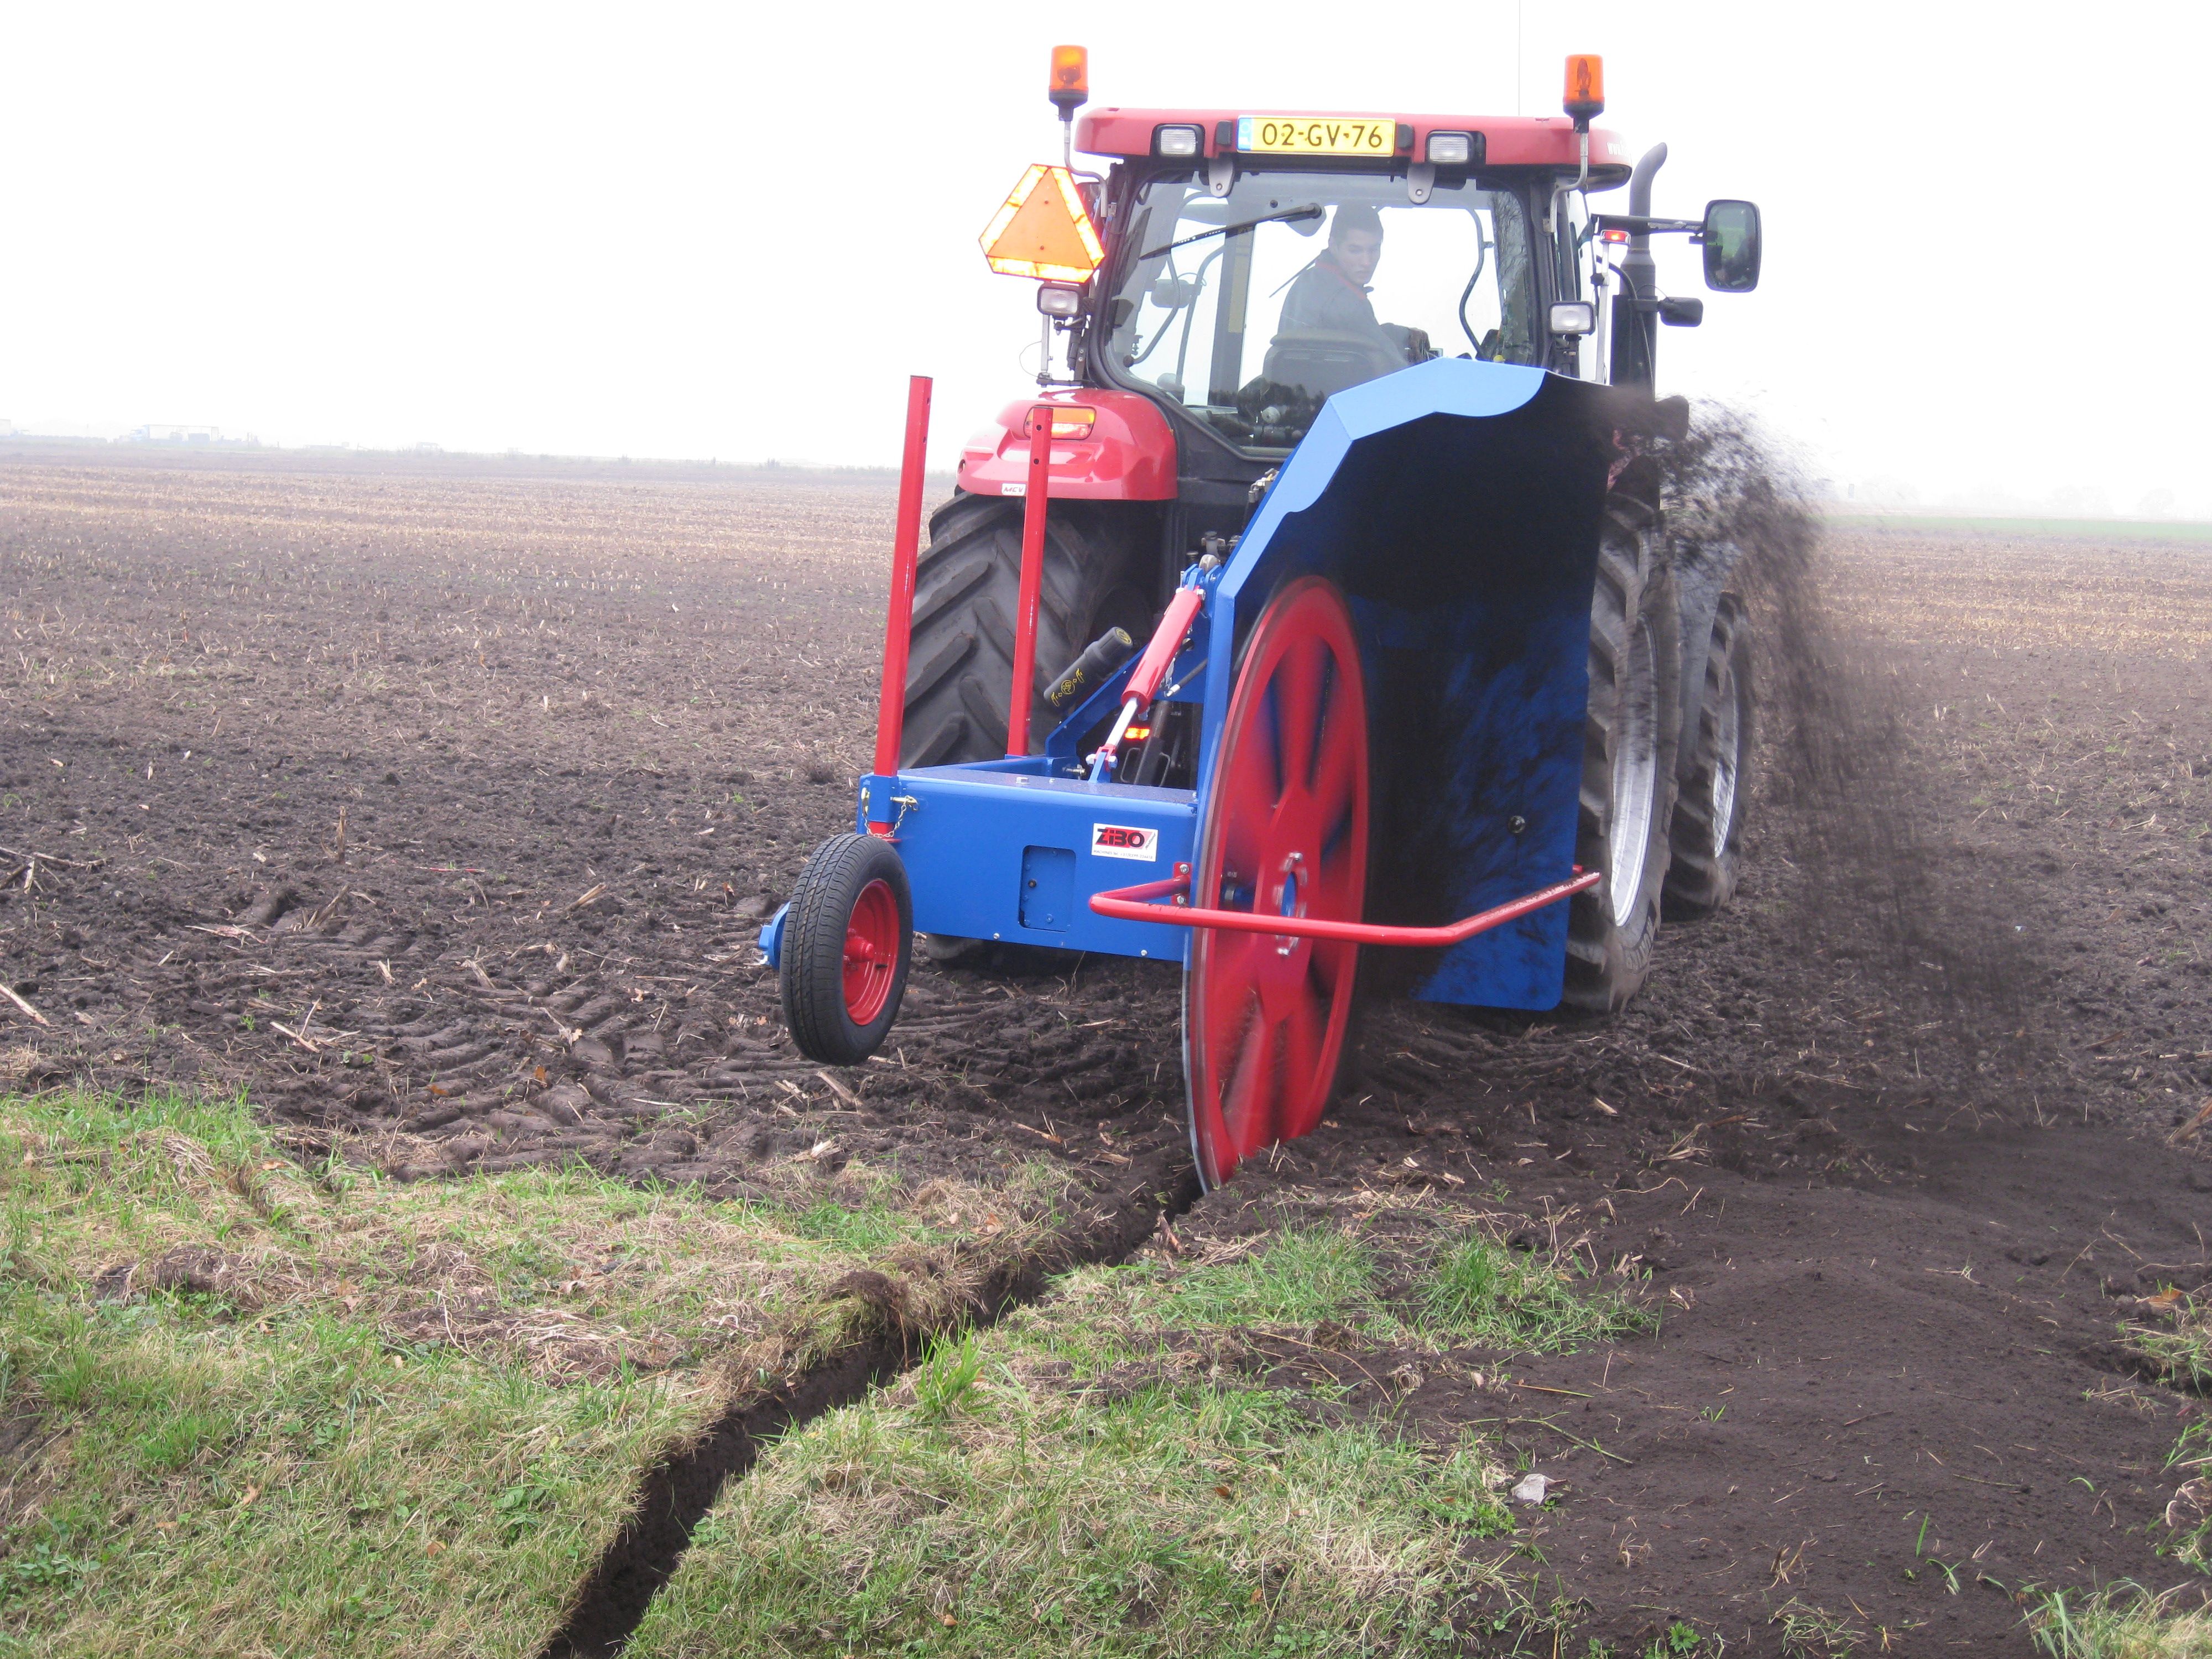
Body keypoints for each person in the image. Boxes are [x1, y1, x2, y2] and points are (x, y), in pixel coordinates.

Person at [1277, 204, 1430, 362]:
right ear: (1333, 245)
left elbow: (1358, 334)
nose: (1366, 262)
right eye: (1355, 250)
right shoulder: (1348, 303)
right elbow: (1394, 369)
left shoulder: (1306, 283)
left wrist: (1405, 335)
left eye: (1373, 250)